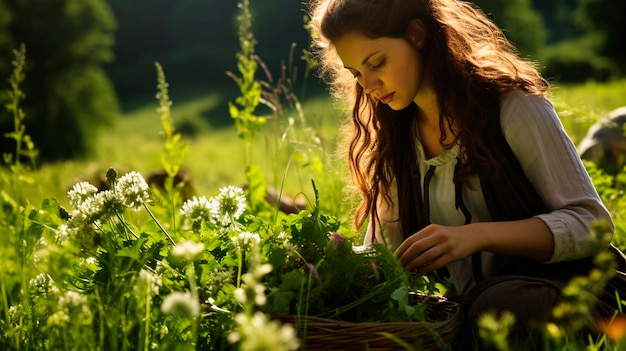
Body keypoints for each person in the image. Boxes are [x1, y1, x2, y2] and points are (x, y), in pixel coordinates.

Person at [307, 0, 625, 347]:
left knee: (500, 307)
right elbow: (384, 254)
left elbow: (591, 225)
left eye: (377, 63)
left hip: (571, 293)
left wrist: (476, 235)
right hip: (468, 310)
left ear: (416, 35)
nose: (367, 84)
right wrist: (323, 270)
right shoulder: (395, 140)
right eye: (355, 73)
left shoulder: (514, 108)